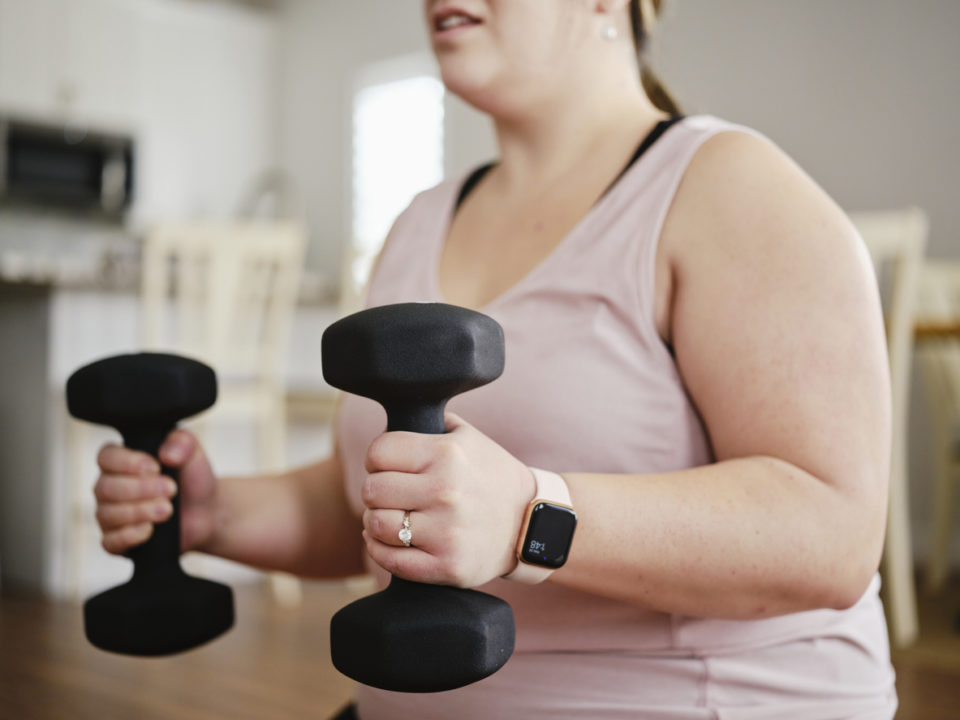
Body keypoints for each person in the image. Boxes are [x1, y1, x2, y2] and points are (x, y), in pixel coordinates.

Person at [91, 1, 898, 717]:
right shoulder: (417, 222)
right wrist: (213, 514)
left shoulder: (730, 186)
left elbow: (831, 532)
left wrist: (528, 518)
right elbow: (386, 510)